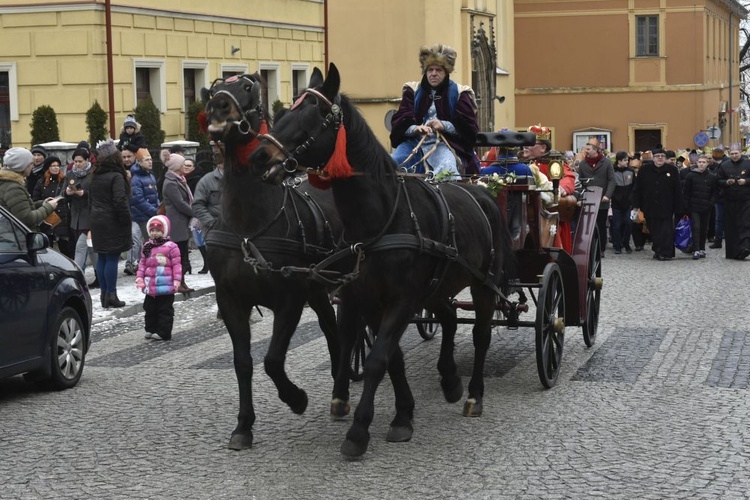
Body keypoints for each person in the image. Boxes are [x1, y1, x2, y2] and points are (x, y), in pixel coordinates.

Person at [390, 44, 479, 177]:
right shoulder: (412, 91)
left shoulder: (460, 93)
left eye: (438, 70)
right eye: (430, 69)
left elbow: (469, 129)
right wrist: (415, 128)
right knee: (391, 163)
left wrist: (444, 125)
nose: (433, 74)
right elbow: (400, 121)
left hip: (444, 144)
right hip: (413, 144)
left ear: (446, 72)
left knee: (447, 167)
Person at [522, 124, 578, 252]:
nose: (525, 146)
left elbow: (568, 177)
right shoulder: (520, 161)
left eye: (530, 143)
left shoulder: (555, 161)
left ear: (543, 147)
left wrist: (562, 188)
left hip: (548, 212)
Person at [89, 140, 132, 308]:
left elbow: (90, 200)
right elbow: (120, 200)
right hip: (112, 220)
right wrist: (126, 220)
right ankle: (112, 295)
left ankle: (104, 295)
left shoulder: (95, 175)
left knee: (102, 257)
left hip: (97, 220)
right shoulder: (116, 176)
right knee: (112, 257)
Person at [136, 215, 182, 341]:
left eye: (157, 230)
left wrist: (177, 280)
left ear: (164, 231)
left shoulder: (171, 247)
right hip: (150, 286)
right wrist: (140, 278)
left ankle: (164, 332)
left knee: (164, 310)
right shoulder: (147, 246)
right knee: (149, 308)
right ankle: (151, 328)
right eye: (152, 231)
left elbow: (177, 265)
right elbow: (142, 264)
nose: (154, 233)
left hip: (166, 285)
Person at [632, 148, 683, 261]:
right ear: (653, 158)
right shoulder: (644, 170)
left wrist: (679, 206)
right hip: (649, 205)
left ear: (665, 158)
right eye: (657, 156)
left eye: (662, 156)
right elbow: (638, 189)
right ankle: (658, 249)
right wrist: (636, 205)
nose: (660, 158)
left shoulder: (672, 170)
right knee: (653, 230)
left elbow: (677, 189)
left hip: (667, 205)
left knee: (666, 230)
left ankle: (666, 252)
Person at [0, 147, 59, 228]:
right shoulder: (13, 188)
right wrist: (49, 207)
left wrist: (41, 203)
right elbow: (27, 218)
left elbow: (20, 207)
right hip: (17, 237)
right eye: (31, 163)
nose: (32, 166)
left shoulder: (10, 182)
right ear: (22, 165)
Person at [161, 151, 195, 292]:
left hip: (182, 222)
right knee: (178, 256)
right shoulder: (170, 183)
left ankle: (182, 281)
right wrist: (195, 212)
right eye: (182, 165)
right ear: (175, 167)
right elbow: (180, 203)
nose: (184, 167)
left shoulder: (179, 179)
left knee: (182, 255)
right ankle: (178, 282)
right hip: (177, 223)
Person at [65, 147, 98, 286]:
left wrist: (83, 193)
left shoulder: (93, 174)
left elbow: (98, 195)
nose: (77, 164)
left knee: (80, 248)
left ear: (87, 160)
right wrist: (67, 193)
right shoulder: (69, 174)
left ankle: (76, 280)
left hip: (89, 218)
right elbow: (63, 195)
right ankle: (100, 275)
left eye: (80, 161)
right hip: (75, 218)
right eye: (75, 161)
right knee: (92, 251)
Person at [577, 140, 615, 255]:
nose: (586, 151)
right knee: (588, 226)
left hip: (602, 200)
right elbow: (579, 182)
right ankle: (589, 248)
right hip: (588, 199)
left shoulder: (607, 163)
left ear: (596, 150)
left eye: (588, 149)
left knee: (601, 225)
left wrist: (607, 195)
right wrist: (579, 197)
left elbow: (612, 180)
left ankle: (601, 249)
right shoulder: (583, 164)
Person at [126, 148, 160, 276]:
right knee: (148, 242)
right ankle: (146, 266)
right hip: (143, 216)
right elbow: (138, 200)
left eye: (151, 159)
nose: (150, 162)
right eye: (147, 160)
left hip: (152, 215)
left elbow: (155, 195)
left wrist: (159, 207)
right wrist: (154, 211)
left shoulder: (150, 175)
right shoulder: (136, 179)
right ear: (139, 162)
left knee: (151, 242)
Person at [32, 156, 72, 257]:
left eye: (58, 166)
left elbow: (70, 198)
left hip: (63, 220)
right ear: (47, 168)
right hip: (47, 219)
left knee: (65, 250)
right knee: (47, 250)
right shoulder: (41, 182)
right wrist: (44, 202)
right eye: (53, 166)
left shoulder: (65, 180)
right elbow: (34, 200)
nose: (56, 168)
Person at [716, 143, 750, 260]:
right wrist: (726, 182)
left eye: (736, 153)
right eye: (732, 154)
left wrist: (746, 181)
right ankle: (733, 252)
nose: (734, 156)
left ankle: (745, 248)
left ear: (741, 152)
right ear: (729, 154)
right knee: (731, 226)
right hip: (729, 200)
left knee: (745, 224)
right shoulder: (725, 165)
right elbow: (718, 180)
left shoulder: (748, 163)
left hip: (746, 199)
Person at [683, 154, 717, 259]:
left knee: (704, 228)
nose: (702, 164)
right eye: (700, 162)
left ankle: (702, 248)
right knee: (696, 228)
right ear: (697, 163)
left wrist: (711, 203)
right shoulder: (691, 176)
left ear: (707, 164)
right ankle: (696, 249)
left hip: (706, 206)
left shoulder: (712, 177)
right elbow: (686, 192)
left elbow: (715, 192)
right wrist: (686, 206)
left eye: (704, 162)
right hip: (694, 206)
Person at [610, 151, 635, 254]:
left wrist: (632, 199)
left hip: (628, 203)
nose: (627, 162)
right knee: (617, 225)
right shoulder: (613, 172)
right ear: (619, 161)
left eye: (627, 160)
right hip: (616, 203)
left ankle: (626, 243)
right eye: (625, 160)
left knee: (629, 224)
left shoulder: (630, 172)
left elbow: (634, 186)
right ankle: (617, 246)